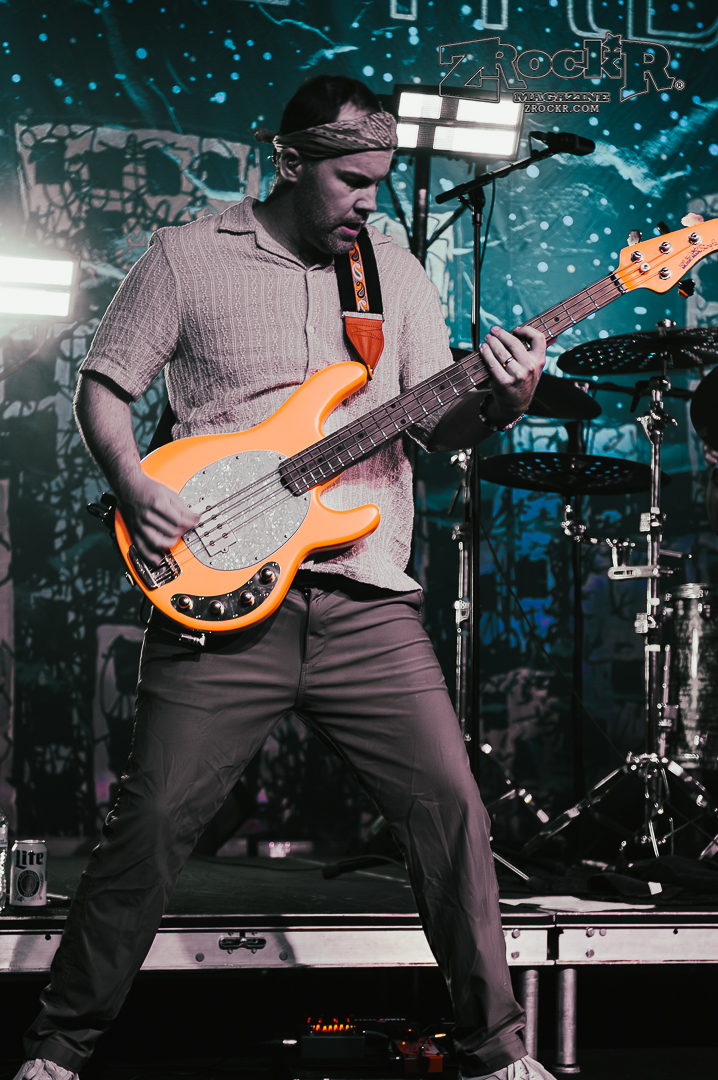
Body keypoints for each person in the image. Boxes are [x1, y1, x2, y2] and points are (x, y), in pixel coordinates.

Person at [15, 76, 553, 1080]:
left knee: (451, 808)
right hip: (223, 600)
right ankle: (57, 1049)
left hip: (365, 602)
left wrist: (505, 402)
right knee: (152, 820)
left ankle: (497, 1051)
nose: (369, 201)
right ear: (292, 161)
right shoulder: (187, 256)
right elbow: (104, 386)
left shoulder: (393, 271)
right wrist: (133, 484)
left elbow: (436, 424)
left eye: (380, 181)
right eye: (352, 180)